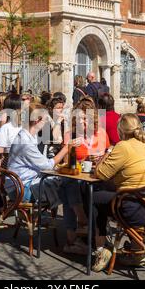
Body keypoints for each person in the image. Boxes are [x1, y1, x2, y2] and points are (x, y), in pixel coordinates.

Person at [91, 114, 145, 271]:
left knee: (93, 195)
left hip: (137, 211)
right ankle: (136, 251)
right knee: (114, 193)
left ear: (121, 130)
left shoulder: (123, 146)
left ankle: (102, 247)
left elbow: (101, 174)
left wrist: (107, 153)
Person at [59, 96, 110, 255]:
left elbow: (110, 154)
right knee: (69, 183)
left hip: (96, 179)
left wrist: (101, 156)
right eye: (79, 118)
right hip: (77, 178)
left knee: (68, 192)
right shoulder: (70, 135)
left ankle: (73, 240)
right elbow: (65, 163)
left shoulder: (101, 133)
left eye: (86, 118)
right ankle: (82, 221)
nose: (82, 122)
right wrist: (72, 150)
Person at [6, 103, 70, 210]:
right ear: (37, 121)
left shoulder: (29, 136)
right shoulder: (25, 142)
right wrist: (67, 148)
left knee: (66, 183)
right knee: (67, 186)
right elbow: (47, 165)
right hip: (21, 190)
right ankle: (77, 221)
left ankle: (74, 221)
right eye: (45, 120)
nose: (46, 123)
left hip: (22, 183)